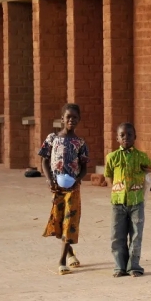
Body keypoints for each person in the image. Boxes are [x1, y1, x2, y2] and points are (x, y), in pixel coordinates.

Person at [39, 103, 90, 275]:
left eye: (75, 118)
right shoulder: (52, 139)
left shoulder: (80, 143)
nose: (71, 120)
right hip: (57, 187)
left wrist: (78, 180)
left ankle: (61, 261)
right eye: (68, 117)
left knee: (70, 220)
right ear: (62, 119)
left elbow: (84, 167)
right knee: (59, 221)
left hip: (72, 188)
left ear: (79, 120)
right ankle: (70, 253)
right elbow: (44, 161)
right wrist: (49, 180)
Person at [104, 122, 151, 277]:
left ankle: (134, 266)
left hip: (136, 201)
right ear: (117, 138)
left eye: (130, 135)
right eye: (122, 135)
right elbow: (108, 175)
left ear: (135, 137)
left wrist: (141, 177)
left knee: (136, 234)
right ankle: (119, 266)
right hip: (118, 202)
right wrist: (116, 189)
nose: (126, 138)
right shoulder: (112, 157)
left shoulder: (141, 156)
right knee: (117, 235)